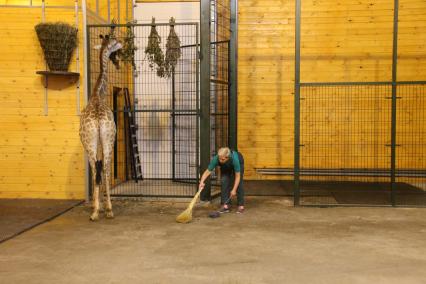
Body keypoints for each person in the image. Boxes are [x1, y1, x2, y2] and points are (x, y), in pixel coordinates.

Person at [199, 147, 245, 214]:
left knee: (239, 183)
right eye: (219, 158)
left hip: (239, 162)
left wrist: (234, 190)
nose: (220, 161)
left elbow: (237, 176)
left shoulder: (235, 159)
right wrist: (202, 181)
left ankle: (241, 206)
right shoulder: (216, 158)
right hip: (225, 165)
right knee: (224, 180)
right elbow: (207, 171)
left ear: (228, 157)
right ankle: (225, 205)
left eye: (222, 159)